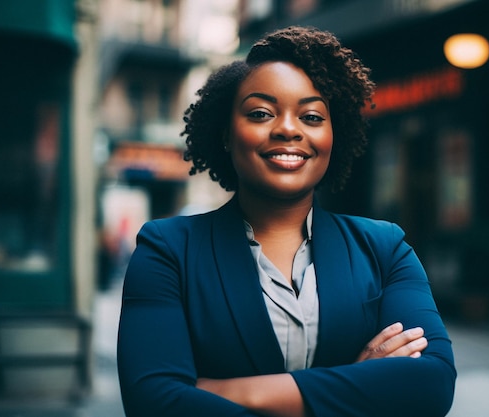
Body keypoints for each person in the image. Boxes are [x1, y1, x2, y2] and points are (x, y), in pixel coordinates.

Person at [117, 26, 456, 417]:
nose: (288, 129)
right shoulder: (168, 249)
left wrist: (231, 392)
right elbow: (154, 403)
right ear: (227, 134)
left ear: (334, 134)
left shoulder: (384, 248)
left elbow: (431, 384)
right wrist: (357, 386)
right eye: (261, 113)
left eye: (311, 116)